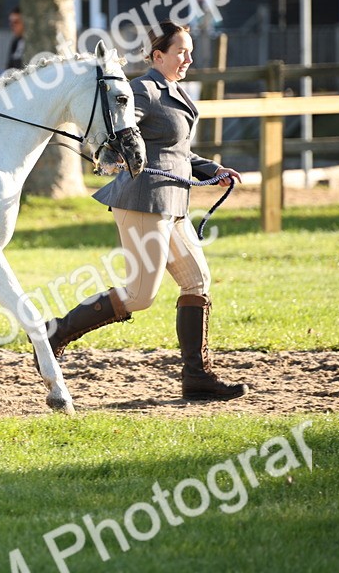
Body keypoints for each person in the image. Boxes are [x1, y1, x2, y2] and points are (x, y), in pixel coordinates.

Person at [45, 20, 247, 401]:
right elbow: (117, 133)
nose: (189, 58)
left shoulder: (176, 92)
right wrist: (112, 155)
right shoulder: (142, 91)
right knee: (141, 295)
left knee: (197, 282)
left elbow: (180, 152)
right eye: (181, 51)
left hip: (174, 203)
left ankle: (198, 378)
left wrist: (212, 169)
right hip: (144, 201)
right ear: (158, 56)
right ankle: (55, 331)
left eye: (189, 51)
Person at [5, 6, 25, 70]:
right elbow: (9, 68)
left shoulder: (32, 43)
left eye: (16, 22)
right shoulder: (15, 42)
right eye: (11, 23)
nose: (12, 26)